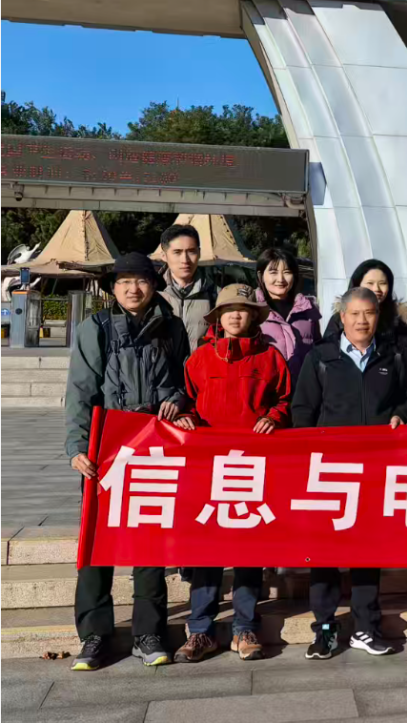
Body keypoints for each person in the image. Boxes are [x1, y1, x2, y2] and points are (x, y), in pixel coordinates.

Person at [64, 252, 191, 671]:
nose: (133, 289)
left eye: (141, 281)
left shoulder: (172, 327)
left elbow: (184, 380)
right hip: (106, 447)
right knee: (97, 541)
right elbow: (80, 390)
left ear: (154, 286)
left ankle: (148, 631)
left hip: (154, 443)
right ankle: (94, 634)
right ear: (113, 288)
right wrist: (77, 446)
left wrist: (177, 400)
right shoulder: (96, 327)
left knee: (149, 540)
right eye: (124, 282)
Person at [292, 287, 407, 659]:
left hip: (375, 470)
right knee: (324, 552)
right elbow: (303, 411)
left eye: (370, 313)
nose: (362, 320)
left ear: (378, 316)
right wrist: (310, 459)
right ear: (342, 317)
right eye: (355, 314)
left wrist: (401, 414)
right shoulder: (321, 357)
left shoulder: (394, 355)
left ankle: (366, 627)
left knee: (367, 549)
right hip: (330, 471)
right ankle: (325, 628)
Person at [171, 284, 291, 663]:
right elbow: (186, 399)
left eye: (244, 309)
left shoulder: (271, 358)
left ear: (254, 316)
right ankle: (200, 630)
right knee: (205, 548)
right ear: (218, 318)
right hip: (209, 468)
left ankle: (245, 628)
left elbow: (286, 400)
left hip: (252, 468)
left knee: (248, 549)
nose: (236, 315)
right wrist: (186, 416)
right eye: (229, 310)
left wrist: (274, 417)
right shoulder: (200, 358)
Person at [255, 246, 322, 380]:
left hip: (304, 388)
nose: (280, 279)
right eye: (273, 272)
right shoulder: (252, 310)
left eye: (287, 272)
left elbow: (319, 351)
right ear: (261, 276)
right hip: (267, 389)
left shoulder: (308, 309)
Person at [323, 259, 407, 350]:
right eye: (370, 283)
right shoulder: (339, 321)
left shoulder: (397, 324)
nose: (376, 289)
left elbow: (406, 359)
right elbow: (325, 354)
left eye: (382, 283)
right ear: (357, 285)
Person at [157, 222, 218, 350]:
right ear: (164, 256)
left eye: (191, 251)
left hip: (201, 362)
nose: (185, 260)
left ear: (199, 253)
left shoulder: (217, 296)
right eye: (177, 252)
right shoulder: (153, 294)